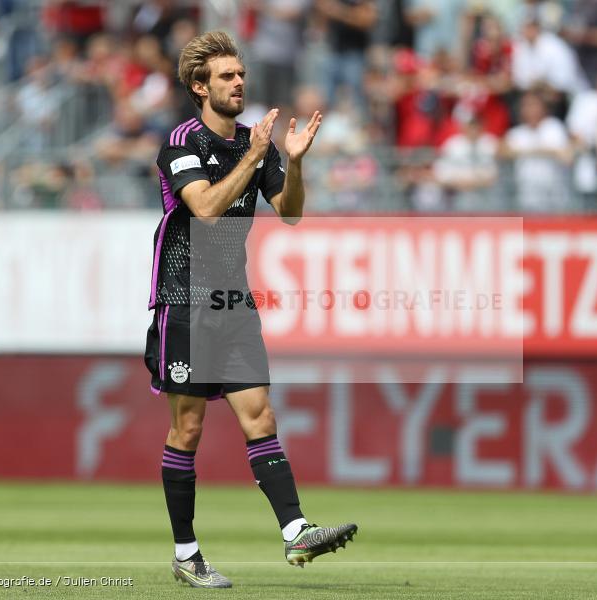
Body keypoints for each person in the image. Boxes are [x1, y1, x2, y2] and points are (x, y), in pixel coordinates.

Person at [143, 31, 357, 589]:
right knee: (188, 428)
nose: (239, 83)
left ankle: (296, 531)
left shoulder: (252, 141)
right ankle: (186, 554)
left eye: (241, 74)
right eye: (227, 76)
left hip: (232, 300)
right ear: (200, 87)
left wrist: (293, 162)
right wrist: (257, 155)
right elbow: (206, 208)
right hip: (184, 299)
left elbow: (290, 212)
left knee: (260, 416)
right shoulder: (181, 144)